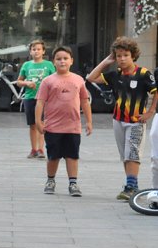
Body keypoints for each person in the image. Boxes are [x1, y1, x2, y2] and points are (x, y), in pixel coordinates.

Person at [87, 36, 157, 200]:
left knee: (132, 153)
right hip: (118, 120)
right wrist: (106, 61)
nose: (122, 59)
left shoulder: (144, 74)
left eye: (125, 55)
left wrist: (150, 112)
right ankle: (132, 185)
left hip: (136, 122)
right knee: (125, 155)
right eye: (118, 56)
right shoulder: (114, 75)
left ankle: (131, 187)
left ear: (133, 55)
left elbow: (156, 92)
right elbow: (91, 78)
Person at [37, 46, 92, 197]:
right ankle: (50, 180)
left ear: (72, 61)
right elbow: (40, 102)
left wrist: (89, 121)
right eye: (59, 59)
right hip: (53, 127)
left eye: (65, 58)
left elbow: (85, 102)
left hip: (73, 127)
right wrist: (38, 121)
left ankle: (73, 183)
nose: (62, 61)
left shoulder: (78, 80)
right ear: (53, 62)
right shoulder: (48, 81)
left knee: (72, 155)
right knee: (53, 156)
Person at [16, 39, 55, 159]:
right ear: (30, 52)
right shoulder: (26, 65)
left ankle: (40, 149)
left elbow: (54, 79)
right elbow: (19, 82)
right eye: (34, 49)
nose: (36, 51)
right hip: (29, 97)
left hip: (44, 99)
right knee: (32, 124)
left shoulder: (48, 65)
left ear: (43, 51)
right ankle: (33, 149)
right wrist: (27, 83)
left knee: (42, 123)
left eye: (39, 49)